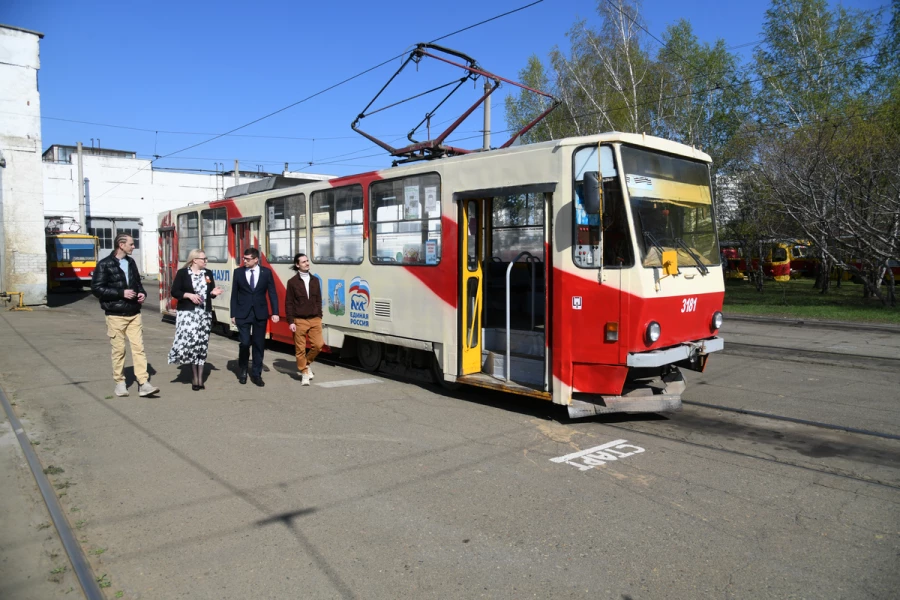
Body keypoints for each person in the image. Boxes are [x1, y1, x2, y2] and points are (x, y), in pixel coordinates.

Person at [90, 233, 160, 398]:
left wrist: (141, 293)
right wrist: (121, 292)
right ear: (121, 245)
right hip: (115, 315)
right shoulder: (104, 264)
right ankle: (120, 382)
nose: (133, 246)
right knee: (119, 350)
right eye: (131, 244)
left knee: (139, 349)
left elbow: (137, 284)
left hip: (134, 313)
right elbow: (97, 289)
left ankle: (143, 383)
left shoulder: (131, 262)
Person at [167, 249, 224, 390]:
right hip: (188, 314)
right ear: (195, 260)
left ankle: (200, 378)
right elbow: (175, 291)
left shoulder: (208, 273)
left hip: (204, 314)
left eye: (206, 259)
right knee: (192, 343)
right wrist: (188, 295)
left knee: (202, 344)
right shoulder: (183, 273)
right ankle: (194, 378)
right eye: (203, 259)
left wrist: (213, 293)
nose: (206, 261)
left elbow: (209, 292)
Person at [230, 247, 279, 386]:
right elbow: (234, 294)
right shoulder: (238, 272)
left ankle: (257, 374)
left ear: (256, 259)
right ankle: (243, 369)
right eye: (244, 258)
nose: (244, 261)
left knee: (259, 344)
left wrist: (275, 312)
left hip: (260, 313)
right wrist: (233, 314)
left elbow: (272, 293)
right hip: (242, 313)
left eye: (247, 259)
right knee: (245, 343)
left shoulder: (266, 273)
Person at [285, 253, 324, 386]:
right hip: (299, 320)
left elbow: (318, 299)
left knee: (318, 345)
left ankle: (305, 364)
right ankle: (304, 373)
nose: (307, 263)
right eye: (303, 262)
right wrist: (290, 321)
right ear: (297, 265)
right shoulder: (292, 282)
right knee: (300, 349)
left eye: (307, 261)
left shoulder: (315, 280)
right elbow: (289, 303)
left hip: (315, 319)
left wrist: (319, 315)